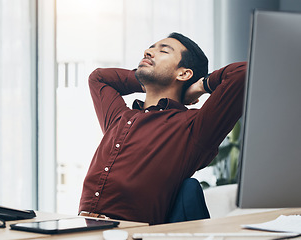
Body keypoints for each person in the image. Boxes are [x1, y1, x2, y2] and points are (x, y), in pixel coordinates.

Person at [78, 32, 247, 225]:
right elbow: (98, 78)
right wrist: (148, 82)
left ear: (183, 73)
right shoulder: (120, 117)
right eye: (151, 47)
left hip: (132, 234)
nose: (148, 52)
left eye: (163, 50)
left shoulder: (194, 126)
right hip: (81, 227)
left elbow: (244, 72)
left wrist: (200, 85)